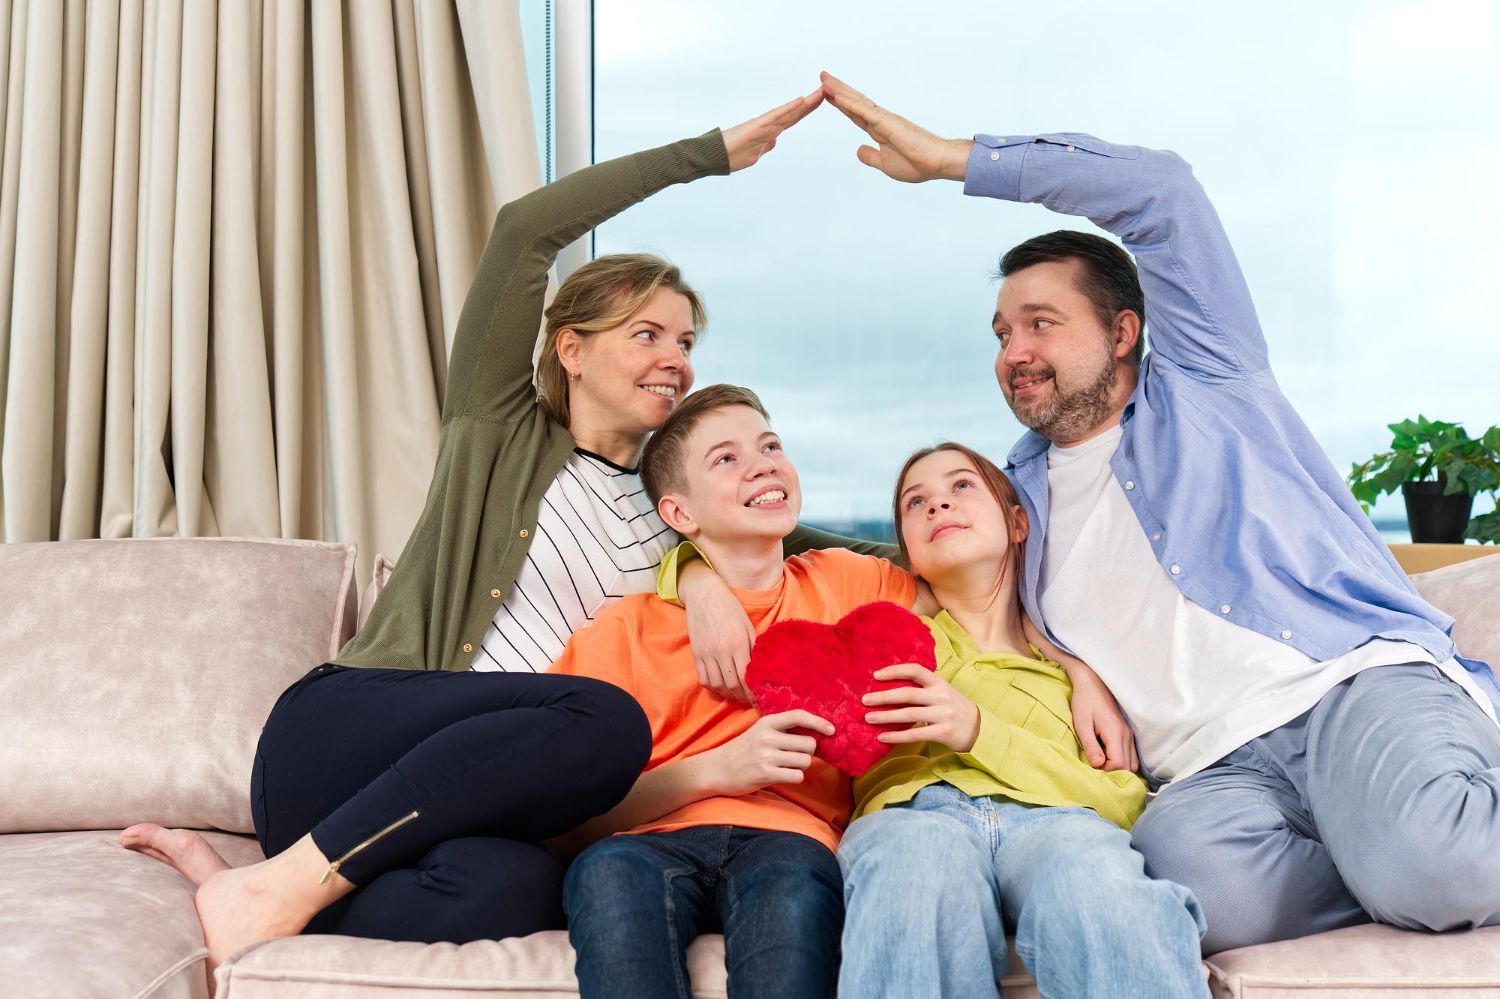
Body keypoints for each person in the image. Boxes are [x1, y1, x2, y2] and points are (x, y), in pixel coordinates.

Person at [117, 92, 889, 981]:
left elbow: (870, 549)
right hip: (352, 737)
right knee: (607, 722)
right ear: (569, 349)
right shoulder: (499, 427)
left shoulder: (681, 512)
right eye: (646, 333)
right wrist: (706, 153)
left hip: (463, 810)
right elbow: (525, 230)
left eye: (684, 340)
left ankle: (250, 885)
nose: (675, 359)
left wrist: (701, 573)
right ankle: (282, 879)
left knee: (521, 885)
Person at [819, 71, 1500, 954]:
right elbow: (904, 552)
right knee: (1176, 903)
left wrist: (958, 160)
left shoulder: (1212, 382)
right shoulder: (1010, 498)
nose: (1014, 352)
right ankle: (1394, 845)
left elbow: (1162, 192)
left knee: (1434, 866)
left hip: (1344, 690)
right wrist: (1071, 663)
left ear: (1125, 331)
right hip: (1208, 777)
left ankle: (1418, 846)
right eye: (1000, 334)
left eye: (1039, 324)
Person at [550, 384, 921, 999]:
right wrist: (718, 770)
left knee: (797, 894)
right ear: (679, 515)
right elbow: (567, 820)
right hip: (643, 846)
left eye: (770, 445)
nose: (763, 463)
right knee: (607, 875)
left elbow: (973, 593)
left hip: (792, 843)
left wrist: (1078, 666)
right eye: (725, 458)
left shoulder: (852, 582)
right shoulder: (625, 630)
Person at [837, 441, 1206, 998]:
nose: (937, 504)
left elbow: (1120, 802)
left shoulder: (1080, 668)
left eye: (961, 486)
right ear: (908, 554)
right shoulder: (886, 647)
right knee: (911, 871)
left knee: (1101, 887)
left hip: (1059, 826)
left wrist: (981, 730)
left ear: (1016, 523)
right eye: (916, 503)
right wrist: (693, 569)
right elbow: (768, 556)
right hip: (913, 818)